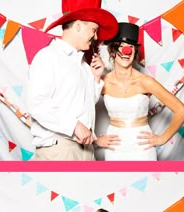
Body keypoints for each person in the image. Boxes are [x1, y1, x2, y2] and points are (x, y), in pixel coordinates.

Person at [28, 0, 118, 161]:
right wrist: (74, 126)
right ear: (78, 26)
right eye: (94, 30)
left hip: (86, 148)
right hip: (59, 150)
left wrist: (96, 79)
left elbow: (85, 104)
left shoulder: (83, 65)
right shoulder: (48, 57)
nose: (96, 37)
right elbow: (37, 104)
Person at [96, 22, 184, 161]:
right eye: (121, 47)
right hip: (115, 148)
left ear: (135, 52)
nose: (127, 51)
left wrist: (162, 139)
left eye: (131, 47)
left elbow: (181, 110)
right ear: (112, 52)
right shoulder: (102, 82)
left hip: (142, 149)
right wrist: (95, 139)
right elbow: (80, 108)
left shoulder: (146, 81)